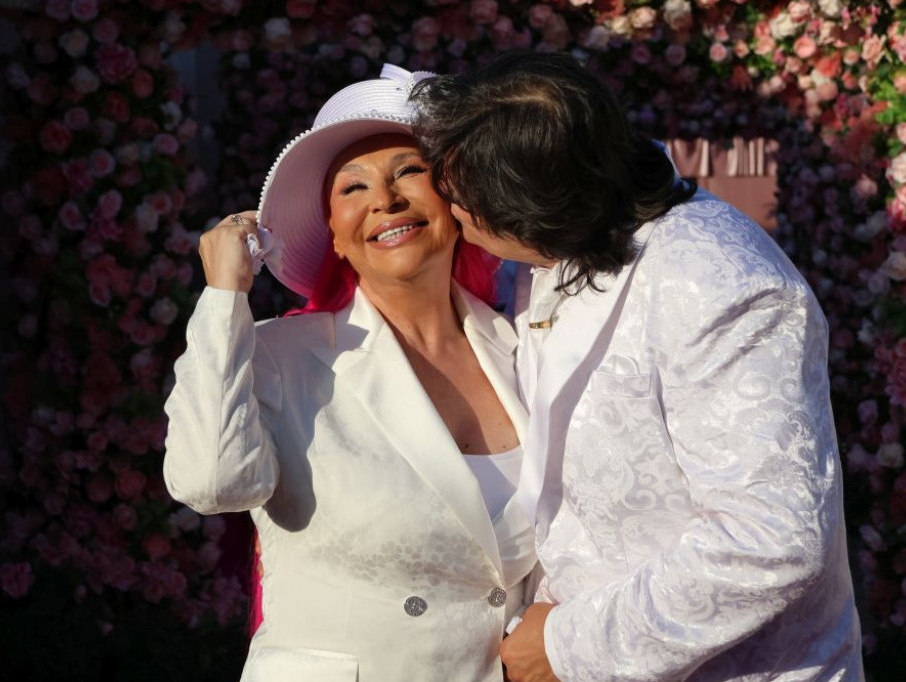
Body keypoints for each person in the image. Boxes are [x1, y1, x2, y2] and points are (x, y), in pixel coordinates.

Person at [412, 51, 864, 682]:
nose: (450, 208)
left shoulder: (721, 287)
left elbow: (772, 541)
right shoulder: (567, 235)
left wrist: (569, 646)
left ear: (535, 213)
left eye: (466, 202)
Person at [162, 64, 536, 682]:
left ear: (456, 201)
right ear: (333, 236)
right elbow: (211, 483)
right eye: (353, 187)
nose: (385, 200)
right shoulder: (278, 355)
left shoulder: (524, 349)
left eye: (408, 171)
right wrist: (225, 294)